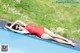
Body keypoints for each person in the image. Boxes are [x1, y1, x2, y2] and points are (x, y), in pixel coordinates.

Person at [5, 20, 76, 46]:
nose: (19, 27)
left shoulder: (25, 25)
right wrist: (10, 28)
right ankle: (69, 43)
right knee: (53, 38)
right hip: (41, 35)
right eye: (17, 28)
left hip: (42, 29)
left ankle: (67, 40)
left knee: (54, 34)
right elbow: (17, 31)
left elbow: (18, 20)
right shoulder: (25, 31)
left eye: (18, 26)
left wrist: (12, 25)